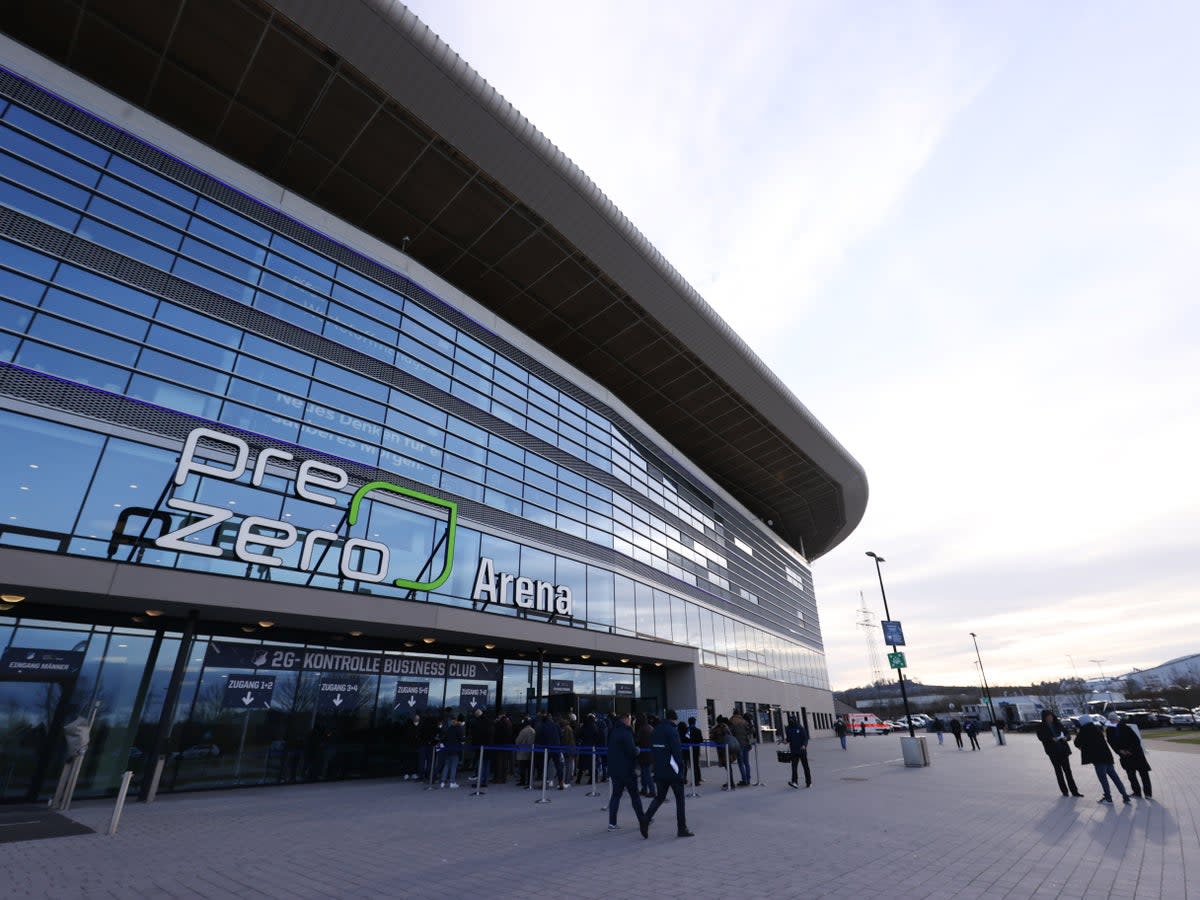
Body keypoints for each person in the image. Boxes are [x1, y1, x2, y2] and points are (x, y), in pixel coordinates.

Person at [644, 710, 694, 837]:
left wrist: (656, 768)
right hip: (673, 771)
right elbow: (677, 754)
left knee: (659, 798)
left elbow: (653, 751)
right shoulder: (672, 731)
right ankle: (681, 828)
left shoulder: (655, 730)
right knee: (680, 800)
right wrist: (681, 771)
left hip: (660, 771)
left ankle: (645, 819)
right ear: (674, 719)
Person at [605, 711, 648, 835]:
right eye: (629, 719)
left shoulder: (614, 731)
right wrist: (637, 750)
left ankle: (612, 823)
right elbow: (631, 751)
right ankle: (643, 820)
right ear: (625, 719)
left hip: (615, 770)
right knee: (635, 796)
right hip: (627, 770)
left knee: (615, 796)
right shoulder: (626, 732)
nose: (630, 721)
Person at [1074, 714, 1131, 804]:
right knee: (1115, 777)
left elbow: (1076, 743)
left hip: (1098, 759)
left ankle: (1108, 798)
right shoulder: (1097, 729)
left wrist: (1079, 735)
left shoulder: (1084, 730)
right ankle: (1125, 796)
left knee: (1103, 779)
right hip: (1107, 757)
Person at [1036, 710, 1082, 797]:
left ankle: (1074, 791)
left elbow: (1067, 734)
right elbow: (1041, 737)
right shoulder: (1041, 727)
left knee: (1068, 771)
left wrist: (1066, 737)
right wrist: (1051, 739)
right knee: (1058, 772)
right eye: (1048, 717)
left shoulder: (1058, 724)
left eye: (1051, 716)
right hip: (1053, 752)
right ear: (1044, 718)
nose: (1050, 718)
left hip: (1063, 751)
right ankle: (1064, 791)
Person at [1106, 712, 1152, 799]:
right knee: (1131, 775)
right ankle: (1137, 792)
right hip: (1126, 756)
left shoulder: (1126, 727)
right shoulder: (1109, 730)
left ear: (1117, 719)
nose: (1113, 721)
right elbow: (1111, 743)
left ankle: (1148, 793)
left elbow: (1136, 740)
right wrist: (1120, 751)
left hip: (1136, 754)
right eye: (1111, 720)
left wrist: (1129, 750)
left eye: (1114, 719)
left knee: (1143, 774)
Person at [438, 714, 465, 788]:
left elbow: (444, 739)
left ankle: (442, 782)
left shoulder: (449, 729)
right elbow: (462, 739)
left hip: (448, 749)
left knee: (446, 766)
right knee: (453, 766)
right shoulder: (459, 728)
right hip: (455, 749)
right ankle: (452, 782)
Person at [785, 718, 811, 788]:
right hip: (793, 751)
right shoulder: (788, 729)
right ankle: (794, 782)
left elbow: (805, 738)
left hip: (802, 750)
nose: (791, 722)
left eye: (792, 721)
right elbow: (788, 739)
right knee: (794, 767)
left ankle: (808, 782)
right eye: (790, 721)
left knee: (805, 767)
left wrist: (804, 745)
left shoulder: (800, 728)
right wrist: (785, 741)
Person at [730, 711, 753, 785]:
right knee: (746, 763)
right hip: (746, 743)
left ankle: (744, 780)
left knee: (740, 763)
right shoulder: (744, 722)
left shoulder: (733, 721)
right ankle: (748, 779)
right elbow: (750, 732)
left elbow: (731, 733)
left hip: (738, 745)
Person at [635, 714, 655, 797]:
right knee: (645, 773)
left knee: (646, 773)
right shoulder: (650, 728)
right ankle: (645, 789)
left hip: (643, 754)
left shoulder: (641, 729)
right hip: (650, 754)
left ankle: (651, 790)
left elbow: (637, 741)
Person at [514, 717, 535, 787]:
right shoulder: (533, 731)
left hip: (523, 751)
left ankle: (523, 781)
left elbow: (518, 741)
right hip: (530, 751)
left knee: (522, 767)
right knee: (529, 767)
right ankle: (529, 781)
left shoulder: (523, 731)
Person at [686, 717, 704, 785]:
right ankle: (698, 779)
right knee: (696, 764)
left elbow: (687, 739)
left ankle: (696, 780)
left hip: (690, 749)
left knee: (693, 765)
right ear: (695, 722)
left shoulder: (688, 730)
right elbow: (701, 740)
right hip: (696, 749)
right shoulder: (698, 730)